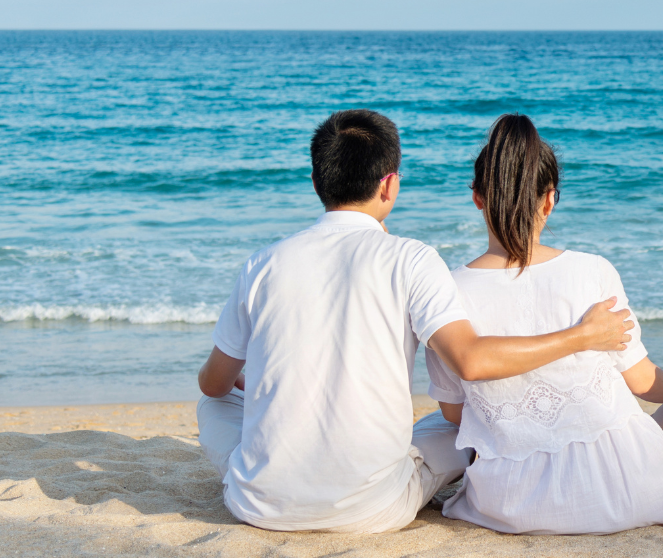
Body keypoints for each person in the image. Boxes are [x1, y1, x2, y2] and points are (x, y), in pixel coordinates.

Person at [191, 109, 636, 534]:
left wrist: (254, 383)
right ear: (389, 185)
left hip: (260, 507)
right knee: (450, 426)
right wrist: (583, 335)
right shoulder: (410, 259)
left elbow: (213, 385)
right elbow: (470, 360)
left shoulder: (263, 264)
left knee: (214, 405)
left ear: (316, 182)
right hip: (375, 507)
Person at [424, 114, 663, 534]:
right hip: (627, 494)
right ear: (550, 199)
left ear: (478, 197)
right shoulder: (593, 271)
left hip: (511, 506)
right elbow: (642, 382)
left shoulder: (448, 290)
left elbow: (454, 412)